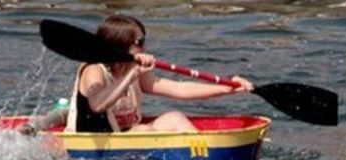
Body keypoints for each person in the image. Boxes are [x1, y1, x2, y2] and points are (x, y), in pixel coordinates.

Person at [64, 14, 255, 133]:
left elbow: (181, 89)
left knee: (174, 117)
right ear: (120, 44)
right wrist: (131, 75)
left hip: (124, 137)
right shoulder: (93, 70)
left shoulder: (134, 70)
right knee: (146, 129)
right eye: (140, 43)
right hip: (91, 144)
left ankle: (203, 156)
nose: (145, 48)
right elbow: (97, 104)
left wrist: (227, 88)